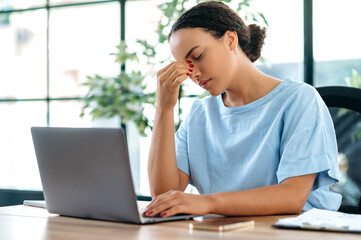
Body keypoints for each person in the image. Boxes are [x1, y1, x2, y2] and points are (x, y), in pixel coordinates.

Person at [144, 1, 341, 218]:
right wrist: (164, 108)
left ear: (230, 40)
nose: (194, 74)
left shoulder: (298, 100)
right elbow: (164, 197)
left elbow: (292, 196)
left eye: (198, 56)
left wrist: (207, 203)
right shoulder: (199, 114)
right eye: (186, 67)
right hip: (225, 231)